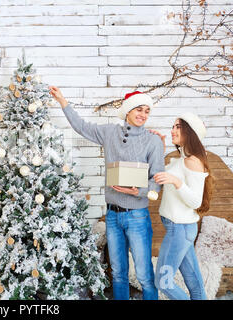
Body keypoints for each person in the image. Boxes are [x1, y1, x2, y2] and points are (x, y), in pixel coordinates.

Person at [49, 86, 165, 300]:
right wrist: (63, 101)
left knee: (144, 275)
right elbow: (81, 127)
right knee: (119, 274)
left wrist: (137, 191)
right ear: (128, 111)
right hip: (112, 215)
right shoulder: (110, 132)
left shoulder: (153, 141)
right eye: (139, 109)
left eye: (147, 111)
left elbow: (157, 181)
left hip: (137, 215)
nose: (143, 115)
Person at [151, 113, 213, 300]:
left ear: (190, 132)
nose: (173, 130)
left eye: (178, 127)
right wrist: (160, 149)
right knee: (194, 283)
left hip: (180, 229)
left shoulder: (193, 161)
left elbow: (196, 201)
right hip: (180, 228)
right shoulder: (180, 159)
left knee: (163, 281)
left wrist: (177, 182)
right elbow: (161, 176)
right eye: (173, 126)